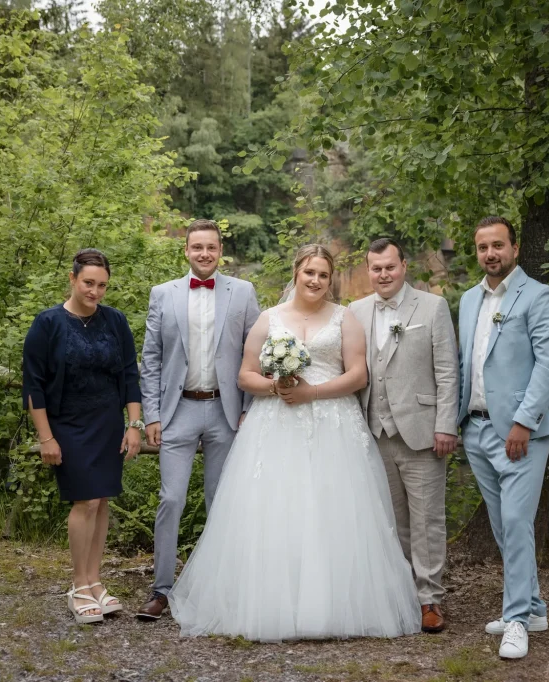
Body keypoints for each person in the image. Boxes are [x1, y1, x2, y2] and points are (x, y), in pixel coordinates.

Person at [168, 244, 421, 641]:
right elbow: (244, 375)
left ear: (330, 279)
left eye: (323, 274)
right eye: (309, 273)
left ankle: (334, 607)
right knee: (277, 508)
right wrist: (275, 385)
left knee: (331, 510)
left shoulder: (345, 318)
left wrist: (312, 393)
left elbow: (358, 375)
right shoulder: (270, 318)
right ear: (296, 273)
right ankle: (274, 604)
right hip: (276, 423)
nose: (316, 280)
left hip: (333, 424)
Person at [136, 219, 261, 620]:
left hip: (226, 411)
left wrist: (247, 410)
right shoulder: (163, 294)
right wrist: (150, 415)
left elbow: (255, 354)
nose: (204, 253)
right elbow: (151, 358)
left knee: (221, 501)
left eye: (211, 247)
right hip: (178, 410)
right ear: (186, 250)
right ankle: (162, 590)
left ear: (220, 250)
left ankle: (221, 589)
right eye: (197, 247)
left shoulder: (242, 292)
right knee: (171, 498)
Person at [457, 216, 549, 659]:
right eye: (483, 247)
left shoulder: (539, 296)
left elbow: (548, 365)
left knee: (518, 524)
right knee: (504, 527)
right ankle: (534, 608)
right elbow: (466, 364)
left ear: (515, 249)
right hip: (477, 428)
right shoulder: (467, 300)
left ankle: (517, 620)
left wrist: (524, 422)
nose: (490, 254)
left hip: (520, 432)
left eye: (498, 245)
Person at [22, 248, 144, 624]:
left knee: (102, 500)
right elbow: (33, 385)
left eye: (102, 285)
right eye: (89, 283)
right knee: (85, 501)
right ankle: (78, 585)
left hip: (107, 422)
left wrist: (134, 424)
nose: (95, 291)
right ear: (72, 279)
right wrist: (46, 438)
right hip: (67, 424)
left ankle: (95, 581)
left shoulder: (116, 321)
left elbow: (129, 375)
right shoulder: (48, 323)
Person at [348, 238, 459, 633]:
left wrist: (446, 424)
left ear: (404, 265)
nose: (383, 274)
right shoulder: (355, 311)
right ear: (368, 270)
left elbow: (447, 370)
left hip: (422, 431)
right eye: (376, 268)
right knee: (390, 519)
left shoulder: (432, 307)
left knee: (427, 519)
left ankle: (430, 599)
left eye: (389, 267)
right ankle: (397, 595)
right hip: (374, 431)